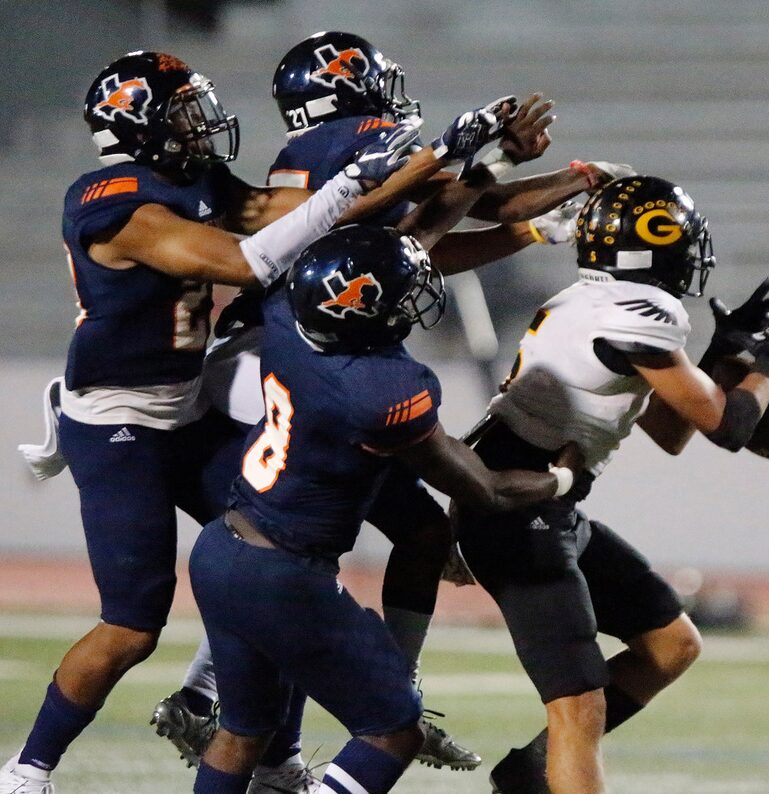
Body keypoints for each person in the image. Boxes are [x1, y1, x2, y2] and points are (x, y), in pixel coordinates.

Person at [0, 48, 499, 794]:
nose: (199, 126)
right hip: (119, 422)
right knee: (133, 627)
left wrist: (440, 159)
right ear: (135, 127)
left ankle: (271, 753)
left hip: (188, 407)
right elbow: (246, 263)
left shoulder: (191, 177)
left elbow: (293, 216)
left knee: (285, 558)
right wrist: (356, 182)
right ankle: (26, 772)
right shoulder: (112, 202)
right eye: (179, 113)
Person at [152, 29, 634, 781]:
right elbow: (450, 216)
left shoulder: (308, 164)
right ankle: (349, 695)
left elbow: (419, 243)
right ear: (356, 84)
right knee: (313, 549)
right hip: (317, 370)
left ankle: (235, 704)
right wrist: (561, 180)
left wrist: (523, 207)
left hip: (271, 350)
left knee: (298, 538)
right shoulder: (372, 145)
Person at [188, 222, 585, 794]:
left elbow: (397, 243)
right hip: (285, 575)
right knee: (395, 730)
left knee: (243, 729)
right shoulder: (383, 391)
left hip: (222, 546)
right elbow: (487, 490)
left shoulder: (284, 313)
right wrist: (562, 478)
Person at [452, 175, 769, 794]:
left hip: (547, 504)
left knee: (670, 645)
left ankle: (534, 772)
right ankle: (549, 772)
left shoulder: (589, 302)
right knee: (579, 705)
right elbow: (727, 427)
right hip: (518, 507)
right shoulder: (644, 312)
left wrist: (725, 353)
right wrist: (767, 365)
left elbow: (672, 431)